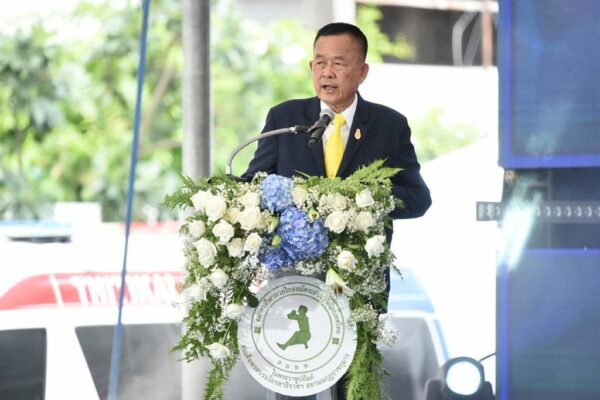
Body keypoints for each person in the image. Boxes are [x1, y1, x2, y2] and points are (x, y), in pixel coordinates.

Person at [244, 22, 431, 400]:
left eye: (339, 64)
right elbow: (253, 183)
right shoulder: (285, 119)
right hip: (294, 282)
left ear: (362, 71)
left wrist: (366, 200)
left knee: (353, 389)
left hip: (359, 282)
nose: (327, 73)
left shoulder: (389, 126)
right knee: (294, 385)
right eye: (320, 63)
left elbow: (417, 198)